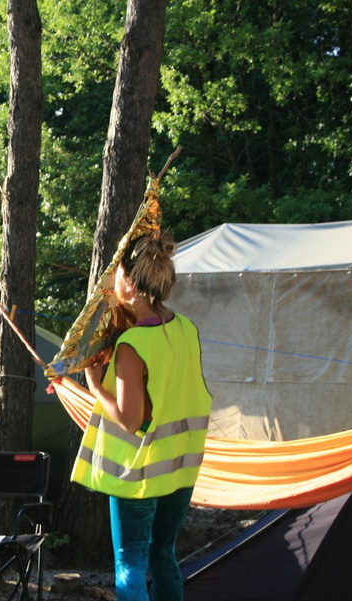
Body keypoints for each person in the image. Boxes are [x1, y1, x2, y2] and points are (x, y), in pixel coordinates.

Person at [71, 230, 212, 601]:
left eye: (116, 273)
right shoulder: (186, 328)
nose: (112, 280)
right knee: (163, 554)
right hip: (180, 468)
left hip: (139, 474)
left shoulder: (132, 345)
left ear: (131, 284)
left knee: (129, 563)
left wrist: (95, 385)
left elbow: (130, 421)